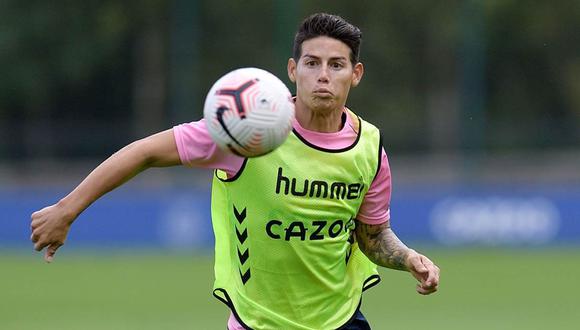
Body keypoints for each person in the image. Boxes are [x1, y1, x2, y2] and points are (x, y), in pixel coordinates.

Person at [30, 12, 440, 329]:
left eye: (336, 65)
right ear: (293, 70)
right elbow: (145, 153)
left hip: (340, 321)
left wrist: (408, 259)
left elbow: (370, 235)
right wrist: (68, 209)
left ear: (356, 73)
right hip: (258, 322)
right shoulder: (248, 129)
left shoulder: (369, 147)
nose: (323, 75)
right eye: (312, 63)